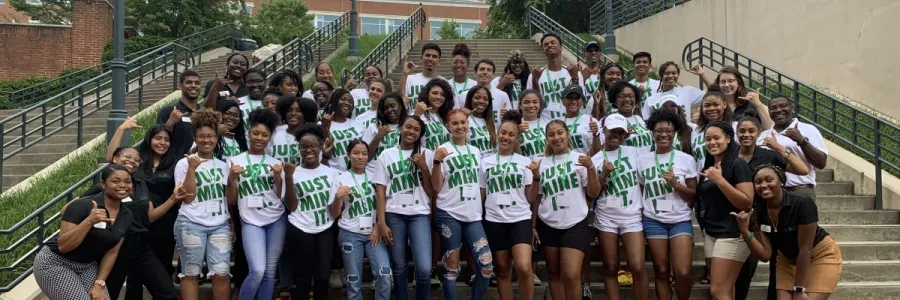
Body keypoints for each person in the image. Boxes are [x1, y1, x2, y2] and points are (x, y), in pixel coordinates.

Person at [735, 164, 843, 300]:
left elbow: (805, 248)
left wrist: (799, 289)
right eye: (758, 182)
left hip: (819, 254)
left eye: (769, 180)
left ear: (781, 181)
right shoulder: (758, 212)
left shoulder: (802, 203)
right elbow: (765, 255)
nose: (763, 185)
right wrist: (744, 231)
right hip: (787, 259)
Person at [733, 116, 810, 300]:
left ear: (759, 133)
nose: (746, 135)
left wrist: (778, 148)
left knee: (776, 270)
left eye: (751, 131)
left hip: (768, 219)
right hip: (738, 219)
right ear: (736, 134)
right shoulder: (730, 156)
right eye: (742, 131)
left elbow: (802, 170)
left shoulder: (768, 155)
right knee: (741, 273)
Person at [89, 145, 180, 300]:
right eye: (128, 156)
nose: (132, 161)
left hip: (141, 246)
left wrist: (173, 199)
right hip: (115, 247)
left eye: (137, 159)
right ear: (115, 158)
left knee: (167, 293)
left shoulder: (140, 184)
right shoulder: (106, 184)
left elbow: (149, 216)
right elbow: (69, 210)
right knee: (107, 294)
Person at [33, 164, 136, 300]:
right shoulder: (82, 205)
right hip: (56, 262)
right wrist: (89, 221)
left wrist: (99, 284)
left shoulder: (127, 215)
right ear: (103, 185)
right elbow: (63, 246)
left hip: (87, 265)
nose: (123, 185)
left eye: (127, 181)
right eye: (115, 181)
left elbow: (112, 252)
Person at [528, 120, 601, 300]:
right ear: (547, 138)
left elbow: (593, 192)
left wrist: (591, 167)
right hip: (548, 222)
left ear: (567, 134)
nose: (556, 137)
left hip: (575, 223)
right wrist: (533, 226)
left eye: (560, 133)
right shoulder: (541, 163)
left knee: (571, 274)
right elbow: (534, 198)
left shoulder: (580, 159)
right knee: (554, 274)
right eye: (551, 134)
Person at [430, 108, 493, 299]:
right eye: (455, 123)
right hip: (449, 212)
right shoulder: (442, 150)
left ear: (468, 124)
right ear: (448, 126)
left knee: (486, 265)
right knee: (451, 266)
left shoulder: (475, 151)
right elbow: (436, 186)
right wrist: (436, 162)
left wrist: (478, 204)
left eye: (463, 122)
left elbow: (480, 183)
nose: (460, 126)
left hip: (473, 214)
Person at [372, 115, 436, 300]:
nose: (411, 132)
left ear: (420, 134)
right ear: (401, 128)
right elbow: (381, 191)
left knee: (424, 268)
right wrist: (381, 222)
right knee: (399, 266)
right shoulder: (386, 155)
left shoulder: (427, 154)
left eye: (416, 129)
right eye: (408, 127)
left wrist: (424, 168)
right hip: (394, 214)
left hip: (419, 214)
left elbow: (431, 192)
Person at [226, 109, 287, 300]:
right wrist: (231, 179)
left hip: (276, 219)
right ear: (248, 133)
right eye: (255, 133)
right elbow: (232, 200)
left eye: (264, 135)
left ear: (270, 138)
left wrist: (278, 178)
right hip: (250, 221)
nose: (259, 138)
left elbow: (281, 196)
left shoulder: (276, 163)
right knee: (257, 270)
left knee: (269, 273)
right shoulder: (234, 161)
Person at [174, 109, 233, 300]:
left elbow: (229, 199)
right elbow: (188, 197)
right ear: (195, 138)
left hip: (219, 225)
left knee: (222, 272)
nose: (206, 140)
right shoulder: (183, 164)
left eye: (211, 136)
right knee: (191, 272)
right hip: (191, 223)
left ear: (217, 138)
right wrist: (192, 168)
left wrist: (232, 226)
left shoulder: (224, 165)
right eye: (202, 136)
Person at [640, 109, 699, 300]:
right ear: (652, 133)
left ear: (674, 134)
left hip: (680, 220)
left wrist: (675, 184)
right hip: (653, 220)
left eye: (668, 130)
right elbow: (642, 190)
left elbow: (693, 195)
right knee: (662, 270)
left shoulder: (687, 160)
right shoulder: (642, 160)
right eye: (659, 131)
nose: (663, 134)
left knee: (682, 272)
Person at [591, 113, 649, 300]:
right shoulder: (596, 159)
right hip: (606, 216)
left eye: (620, 132)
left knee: (637, 266)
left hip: (631, 215)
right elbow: (592, 193)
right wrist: (603, 175)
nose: (615, 135)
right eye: (612, 131)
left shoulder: (634, 153)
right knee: (610, 266)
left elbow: (642, 181)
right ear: (604, 131)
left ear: (625, 135)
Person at [696, 121, 755, 300]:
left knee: (718, 290)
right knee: (725, 290)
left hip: (732, 233)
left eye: (716, 138)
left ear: (728, 139)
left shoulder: (738, 164)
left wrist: (720, 180)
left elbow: (746, 203)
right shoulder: (708, 165)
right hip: (712, 232)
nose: (712, 142)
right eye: (708, 139)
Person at [282, 124, 341, 300]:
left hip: (325, 227)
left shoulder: (332, 173)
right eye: (304, 146)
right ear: (299, 149)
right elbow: (291, 206)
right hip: (300, 227)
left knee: (323, 276)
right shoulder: (293, 172)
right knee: (302, 277)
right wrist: (289, 177)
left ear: (320, 146)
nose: (308, 150)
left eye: (313, 146)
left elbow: (334, 209)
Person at [482, 111, 536, 300]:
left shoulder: (525, 162)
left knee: (523, 266)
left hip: (519, 218)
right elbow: (482, 193)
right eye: (503, 133)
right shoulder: (485, 162)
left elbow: (531, 197)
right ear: (497, 133)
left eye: (511, 134)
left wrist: (534, 225)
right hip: (494, 220)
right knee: (503, 270)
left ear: (517, 138)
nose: (506, 137)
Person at [333, 139, 393, 300]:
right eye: (356, 153)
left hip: (374, 232)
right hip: (349, 234)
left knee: (385, 273)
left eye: (364, 153)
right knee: (353, 281)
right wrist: (338, 197)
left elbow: (383, 204)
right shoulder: (340, 179)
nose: (360, 157)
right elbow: (334, 214)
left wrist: (377, 225)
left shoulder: (375, 178)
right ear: (348, 155)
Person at [759, 96, 828, 201]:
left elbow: (821, 163)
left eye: (783, 106)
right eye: (773, 108)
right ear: (769, 112)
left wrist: (801, 140)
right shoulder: (763, 136)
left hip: (800, 191)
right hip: (771, 194)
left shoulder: (807, 129)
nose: (778, 110)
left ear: (792, 108)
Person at [527, 32, 584, 120]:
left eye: (553, 43)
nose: (549, 45)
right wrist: (535, 80)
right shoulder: (534, 75)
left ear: (561, 47)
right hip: (545, 123)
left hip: (569, 122)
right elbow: (532, 102)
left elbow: (580, 99)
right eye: (546, 45)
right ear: (543, 51)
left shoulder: (574, 73)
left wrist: (574, 78)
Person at [159, 69, 208, 157]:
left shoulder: (205, 113)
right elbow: (157, 139)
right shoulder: (168, 111)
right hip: (175, 165)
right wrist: (170, 123)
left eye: (197, 83)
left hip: (202, 165)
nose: (193, 85)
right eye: (189, 82)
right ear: (180, 86)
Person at [641, 62, 706, 126]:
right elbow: (646, 124)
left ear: (678, 75)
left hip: (684, 135)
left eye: (674, 73)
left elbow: (714, 93)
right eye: (667, 73)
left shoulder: (687, 91)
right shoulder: (651, 100)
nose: (671, 76)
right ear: (661, 75)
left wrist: (702, 74)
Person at [363, 92, 408, 174]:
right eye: (386, 108)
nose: (389, 110)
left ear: (401, 106)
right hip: (374, 173)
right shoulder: (374, 127)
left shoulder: (407, 127)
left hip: (399, 174)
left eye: (392, 106)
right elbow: (365, 157)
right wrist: (378, 136)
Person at [322, 88, 363, 172]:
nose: (347, 103)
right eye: (343, 99)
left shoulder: (358, 125)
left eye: (350, 101)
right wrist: (326, 128)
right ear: (334, 101)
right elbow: (326, 149)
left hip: (355, 173)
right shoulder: (321, 125)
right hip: (335, 174)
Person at [606, 81, 653, 152]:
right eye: (622, 96)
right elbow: (604, 148)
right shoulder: (610, 120)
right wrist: (623, 137)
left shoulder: (638, 118)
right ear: (615, 100)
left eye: (631, 96)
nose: (627, 100)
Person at [693, 91, 738, 166]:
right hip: (703, 176)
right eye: (707, 105)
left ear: (724, 104)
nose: (711, 108)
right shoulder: (696, 130)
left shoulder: (735, 127)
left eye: (716, 104)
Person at [401, 43, 446, 113]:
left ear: (439, 61)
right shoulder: (409, 79)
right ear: (421, 58)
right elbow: (399, 97)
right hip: (413, 121)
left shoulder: (444, 82)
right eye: (427, 55)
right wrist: (404, 74)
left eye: (434, 56)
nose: (430, 59)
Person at [412, 78, 454, 150]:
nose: (438, 97)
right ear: (427, 94)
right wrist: (416, 115)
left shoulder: (446, 115)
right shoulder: (417, 114)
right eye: (434, 93)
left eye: (442, 94)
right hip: (424, 159)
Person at [560, 84, 601, 156]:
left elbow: (599, 152)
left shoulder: (591, 121)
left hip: (586, 164)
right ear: (563, 101)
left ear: (582, 101)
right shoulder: (559, 123)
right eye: (570, 98)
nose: (573, 101)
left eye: (577, 98)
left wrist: (596, 135)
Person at [469, 59, 512, 125]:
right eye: (482, 69)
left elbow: (510, 120)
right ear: (475, 72)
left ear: (493, 74)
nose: (485, 72)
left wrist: (507, 115)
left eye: (489, 70)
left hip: (496, 134)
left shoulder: (503, 95)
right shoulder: (465, 95)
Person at [463, 85, 499, 158]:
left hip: (490, 166)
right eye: (477, 98)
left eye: (485, 99)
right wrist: (464, 117)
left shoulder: (490, 121)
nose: (481, 101)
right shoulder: (464, 120)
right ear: (470, 99)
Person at [517, 90, 550, 160]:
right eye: (526, 102)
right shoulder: (515, 126)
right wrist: (517, 134)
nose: (531, 105)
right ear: (520, 105)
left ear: (540, 105)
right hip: (527, 168)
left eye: (535, 102)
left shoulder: (547, 124)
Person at [233, 68, 268, 135]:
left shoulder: (274, 102)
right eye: (250, 82)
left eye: (258, 81)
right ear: (244, 84)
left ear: (266, 81)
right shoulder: (238, 103)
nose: (254, 85)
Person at [580, 41, 603, 112]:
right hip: (583, 116)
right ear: (584, 55)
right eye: (589, 51)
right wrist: (583, 79)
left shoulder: (605, 75)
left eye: (596, 50)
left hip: (601, 116)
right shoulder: (579, 74)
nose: (593, 53)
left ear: (601, 54)